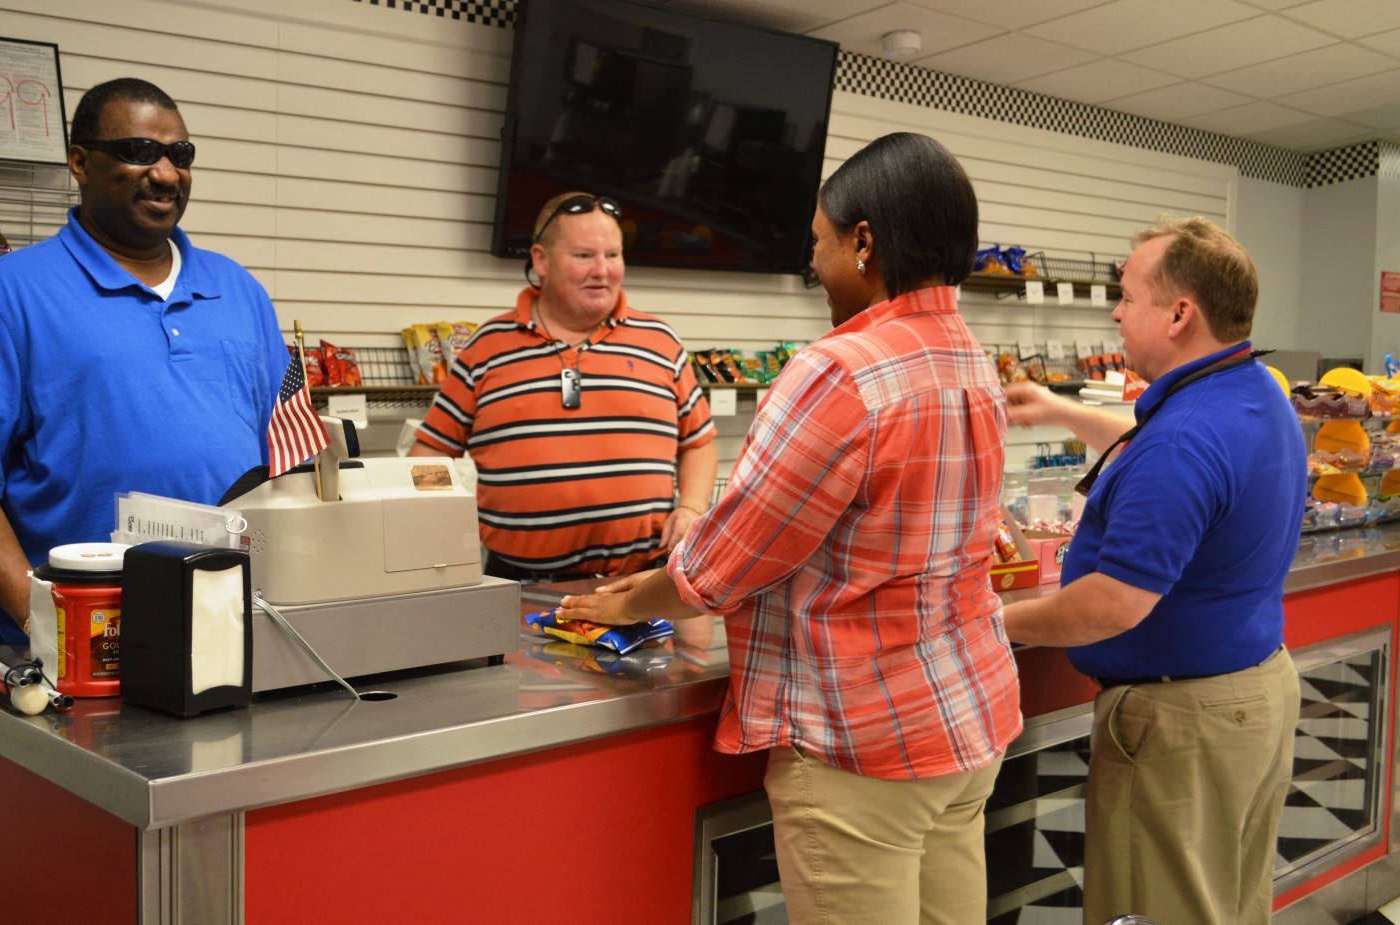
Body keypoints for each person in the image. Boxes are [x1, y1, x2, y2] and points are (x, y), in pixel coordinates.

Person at [558, 133, 1021, 924]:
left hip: (861, 746)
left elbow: (736, 557)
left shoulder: (842, 368)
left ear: (864, 243)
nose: (815, 266)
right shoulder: (970, 356)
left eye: (820, 244)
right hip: (966, 719)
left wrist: (636, 600)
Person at [1001, 217, 1305, 925]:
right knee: (1224, 904)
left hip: (1182, 724)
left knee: (1156, 908)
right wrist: (1059, 410)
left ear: (1178, 313)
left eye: (1127, 294)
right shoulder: (1253, 390)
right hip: (1253, 693)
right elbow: (1165, 455)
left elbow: (1111, 603)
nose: (1113, 310)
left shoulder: (1186, 436)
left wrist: (989, 618)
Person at [0, 78, 288, 645]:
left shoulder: (239, 290)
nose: (165, 173)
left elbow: (286, 454)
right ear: (81, 163)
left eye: (179, 155)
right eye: (139, 153)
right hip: (85, 646)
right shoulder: (8, 296)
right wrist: (46, 626)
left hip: (231, 629)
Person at [407, 192, 717, 581]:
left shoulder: (660, 340)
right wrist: (434, 534)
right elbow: (431, 450)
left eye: (613, 255)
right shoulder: (487, 346)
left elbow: (698, 443)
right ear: (541, 260)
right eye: (584, 256)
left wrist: (690, 508)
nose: (602, 271)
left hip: (640, 584)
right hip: (516, 584)